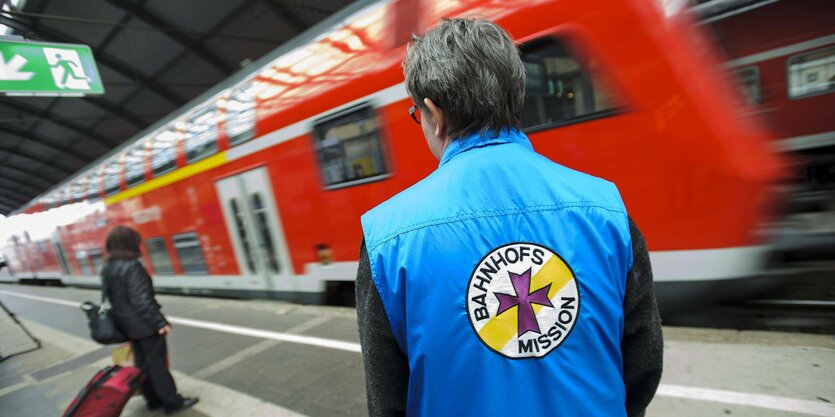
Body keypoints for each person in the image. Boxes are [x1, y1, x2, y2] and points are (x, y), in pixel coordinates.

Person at [356, 18, 662, 417]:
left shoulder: (386, 238)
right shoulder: (606, 208)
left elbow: (386, 399)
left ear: (434, 113)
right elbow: (643, 361)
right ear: (516, 96)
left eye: (418, 113)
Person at [102, 226, 198, 415]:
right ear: (131, 243)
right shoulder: (133, 266)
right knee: (157, 364)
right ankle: (172, 402)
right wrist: (160, 322)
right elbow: (142, 300)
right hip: (144, 325)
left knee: (142, 363)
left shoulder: (108, 267)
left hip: (126, 325)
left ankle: (152, 400)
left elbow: (110, 298)